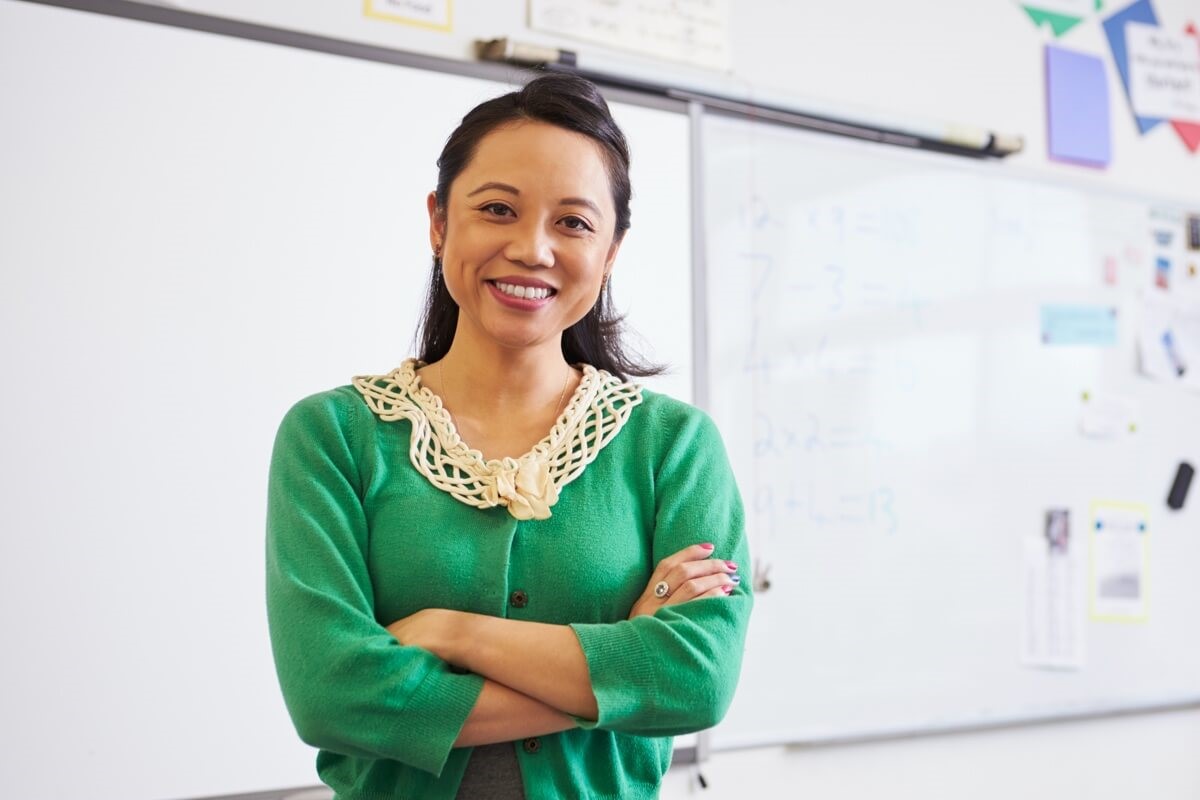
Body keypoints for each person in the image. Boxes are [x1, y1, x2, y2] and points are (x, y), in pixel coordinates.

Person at [266, 72, 752, 799]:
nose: (532, 249)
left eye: (574, 223)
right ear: (439, 222)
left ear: (612, 249)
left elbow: (695, 681)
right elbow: (332, 693)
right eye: (497, 209)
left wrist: (451, 632)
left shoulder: (673, 446)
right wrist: (620, 669)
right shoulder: (334, 436)